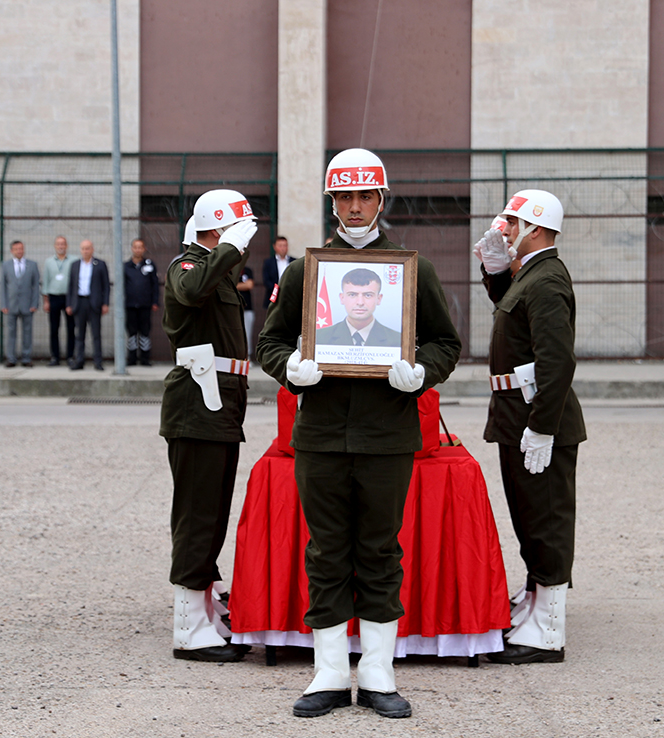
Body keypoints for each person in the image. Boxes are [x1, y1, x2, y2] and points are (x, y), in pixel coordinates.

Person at [257, 148, 461, 720]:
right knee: (324, 550)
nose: (353, 206)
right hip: (320, 434)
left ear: (380, 198)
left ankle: (376, 672)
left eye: (364, 195)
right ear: (332, 201)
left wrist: (422, 372)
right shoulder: (305, 270)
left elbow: (446, 342)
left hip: (386, 437)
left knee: (378, 550)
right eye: (343, 196)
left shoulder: (409, 269)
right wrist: (290, 369)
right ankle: (327, 672)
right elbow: (269, 342)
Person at [474, 189, 587, 666]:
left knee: (546, 520)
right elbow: (512, 315)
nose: (504, 230)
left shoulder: (544, 280)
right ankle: (537, 601)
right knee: (528, 516)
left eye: (511, 224)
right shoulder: (531, 275)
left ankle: (549, 630)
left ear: (534, 228)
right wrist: (497, 271)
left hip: (535, 417)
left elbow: (556, 360)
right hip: (516, 413)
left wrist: (542, 426)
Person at [160, 189, 258, 663]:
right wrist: (228, 249)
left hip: (219, 404)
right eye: (241, 232)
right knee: (197, 514)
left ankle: (204, 607)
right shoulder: (188, 265)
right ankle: (188, 627)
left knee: (214, 510)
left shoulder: (217, 268)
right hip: (198, 403)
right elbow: (191, 289)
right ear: (218, 229)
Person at [313, 268, 402, 347]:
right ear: (342, 298)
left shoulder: (398, 340)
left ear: (379, 299)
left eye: (368, 295)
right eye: (352, 295)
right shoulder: (318, 338)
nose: (360, 302)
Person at [66, 240, 109, 370]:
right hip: (79, 303)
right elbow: (70, 286)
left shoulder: (100, 265)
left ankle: (98, 362)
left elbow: (106, 286)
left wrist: (105, 303)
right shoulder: (75, 265)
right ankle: (79, 361)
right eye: (83, 248)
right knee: (79, 335)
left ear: (92, 249)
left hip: (94, 303)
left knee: (96, 334)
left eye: (88, 248)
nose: (85, 251)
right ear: (80, 250)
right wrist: (69, 304)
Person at [0, 240, 39, 367]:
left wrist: (34, 303)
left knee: (27, 332)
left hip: (27, 305)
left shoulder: (32, 265)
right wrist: (3, 304)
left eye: (21, 249)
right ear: (12, 251)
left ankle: (26, 358)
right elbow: (3, 287)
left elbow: (36, 286)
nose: (19, 251)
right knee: (11, 333)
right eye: (16, 249)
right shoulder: (5, 265)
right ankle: (11, 358)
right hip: (11, 305)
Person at [123, 238, 160, 366]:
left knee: (145, 332)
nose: (138, 249)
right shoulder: (126, 266)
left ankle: (145, 359)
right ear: (132, 248)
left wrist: (155, 301)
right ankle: (132, 359)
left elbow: (155, 285)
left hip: (146, 305)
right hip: (130, 305)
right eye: (135, 247)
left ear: (144, 249)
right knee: (132, 332)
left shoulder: (150, 265)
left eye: (140, 247)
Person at [42, 236, 74, 366]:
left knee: (71, 328)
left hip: (69, 298)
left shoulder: (74, 260)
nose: (61, 246)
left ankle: (70, 356)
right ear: (55, 246)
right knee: (54, 329)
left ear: (66, 246)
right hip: (53, 297)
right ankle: (55, 357)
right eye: (58, 244)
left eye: (63, 244)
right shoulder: (49, 262)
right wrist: (46, 301)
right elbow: (45, 281)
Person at [260, 236, 294, 311]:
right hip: (273, 296)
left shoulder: (293, 262)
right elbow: (266, 280)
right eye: (280, 246)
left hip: (289, 297)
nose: (283, 248)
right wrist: (277, 290)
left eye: (285, 245)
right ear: (274, 247)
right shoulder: (268, 262)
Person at [237, 263, 256, 357]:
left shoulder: (247, 270)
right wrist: (243, 285)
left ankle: (247, 356)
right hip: (234, 308)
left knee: (247, 333)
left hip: (247, 307)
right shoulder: (230, 270)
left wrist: (236, 285)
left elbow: (249, 285)